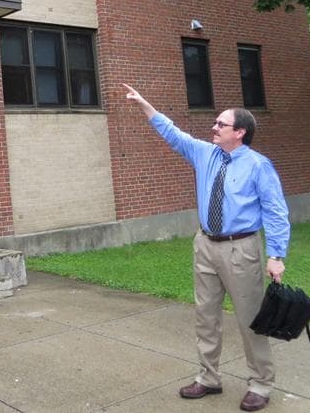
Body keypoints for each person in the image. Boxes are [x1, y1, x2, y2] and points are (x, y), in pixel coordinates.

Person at [122, 84, 289, 413]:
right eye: (215, 123)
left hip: (241, 248)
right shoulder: (204, 153)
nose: (213, 127)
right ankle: (209, 378)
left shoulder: (258, 165)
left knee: (250, 319)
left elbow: (276, 211)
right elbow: (172, 133)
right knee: (205, 317)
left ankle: (260, 383)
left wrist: (276, 255)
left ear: (239, 132)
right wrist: (145, 104)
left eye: (220, 124)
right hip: (206, 245)